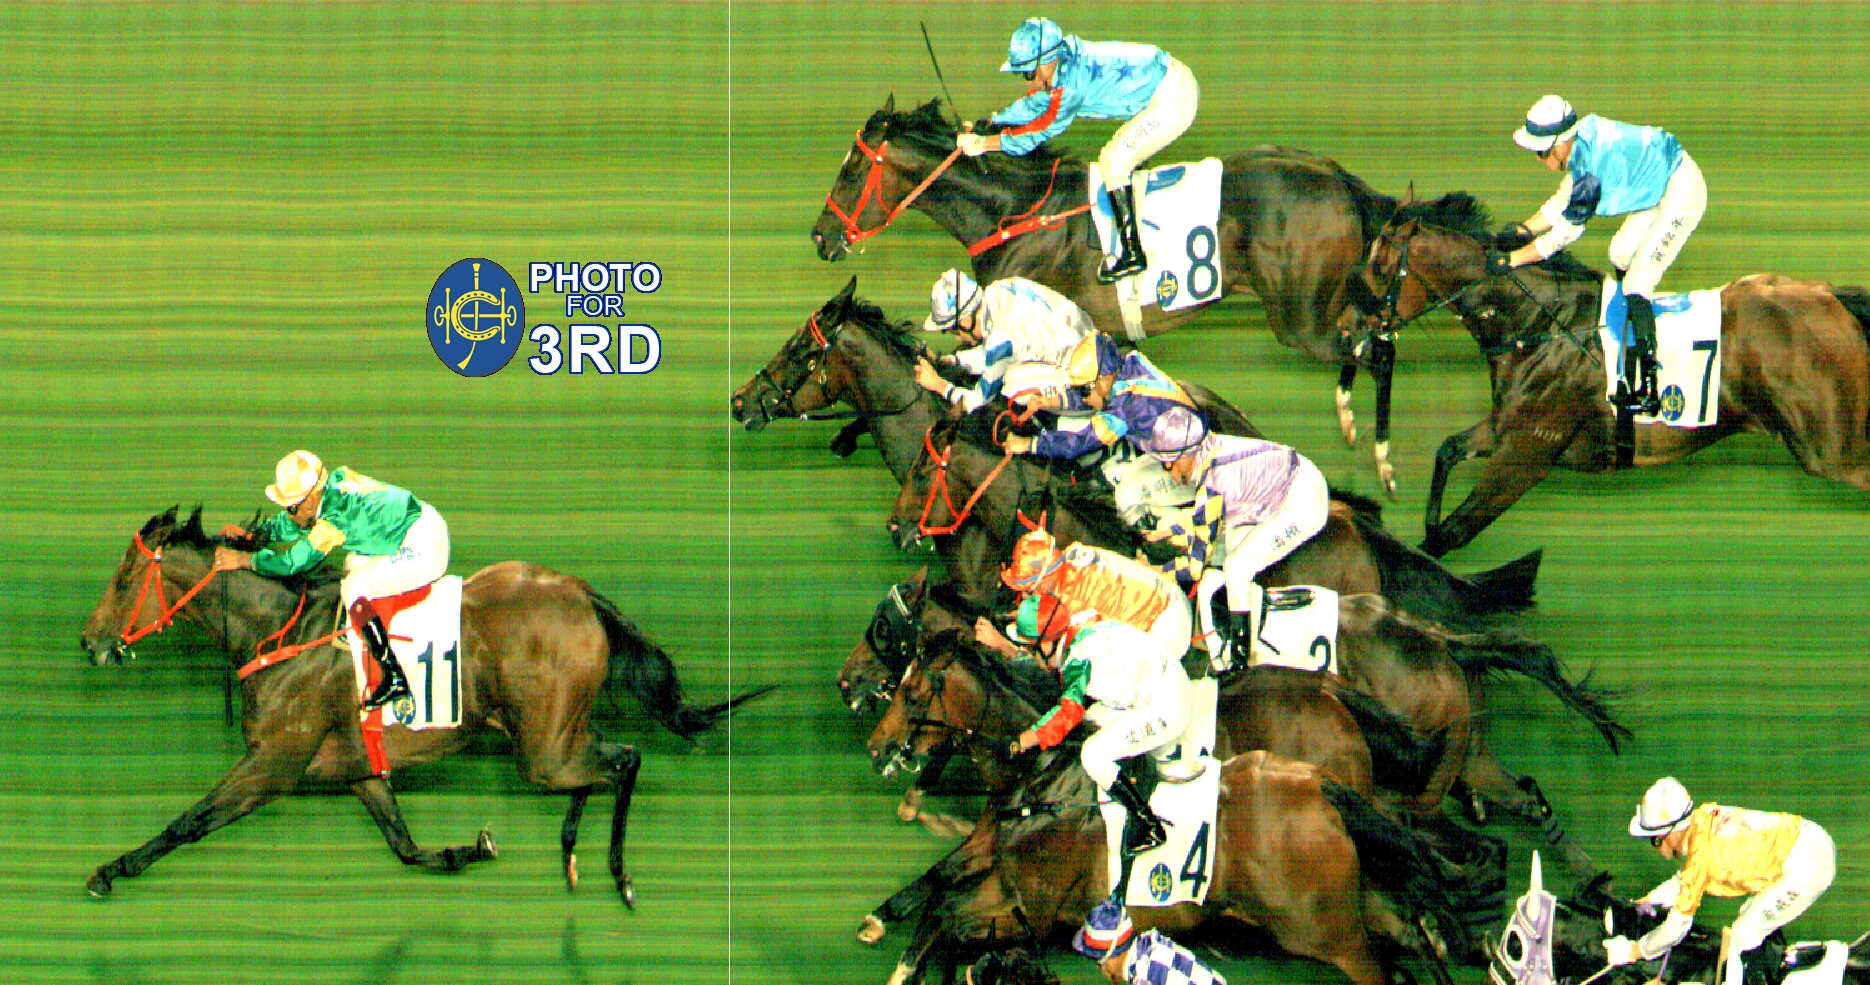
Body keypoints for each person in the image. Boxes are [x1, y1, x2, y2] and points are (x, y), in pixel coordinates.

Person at [1491, 95, 1707, 415]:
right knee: (1619, 252)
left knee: (1637, 282)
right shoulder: (1581, 146)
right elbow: (1561, 201)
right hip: (1657, 182)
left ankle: (1651, 388)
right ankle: (1633, 322)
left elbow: (1561, 236)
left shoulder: (1589, 173)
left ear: (1560, 145)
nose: (1537, 159)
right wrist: (1524, 229)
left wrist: (1514, 259)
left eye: (1540, 152)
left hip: (1680, 191)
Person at [955, 18, 1200, 283]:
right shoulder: (1062, 63)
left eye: (1028, 74)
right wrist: (989, 123)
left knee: (1113, 161)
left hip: (1174, 99)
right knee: (1116, 155)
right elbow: (1033, 104)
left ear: (1045, 63)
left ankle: (1132, 254)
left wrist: (983, 145)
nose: (1028, 82)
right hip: (1168, 80)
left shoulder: (1070, 87)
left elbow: (1036, 133)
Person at [212, 450, 449, 709]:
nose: (289, 513)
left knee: (354, 587)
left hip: (425, 546)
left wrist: (245, 560)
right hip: (412, 527)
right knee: (352, 564)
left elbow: (292, 562)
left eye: (291, 507)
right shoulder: (331, 485)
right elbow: (295, 522)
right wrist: (259, 533)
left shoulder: (333, 521)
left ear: (310, 501)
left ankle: (393, 675)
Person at [1137, 408, 1330, 667]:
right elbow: (1203, 524)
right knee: (1229, 550)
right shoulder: (1206, 452)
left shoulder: (1213, 482)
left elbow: (1194, 567)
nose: (1168, 471)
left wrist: (1154, 569)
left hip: (1305, 500)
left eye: (1170, 462)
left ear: (1187, 453)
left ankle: (1242, 659)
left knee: (1237, 567)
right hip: (1282, 487)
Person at [1006, 593, 1190, 857]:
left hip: (1168, 706)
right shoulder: (1080, 623)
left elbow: (1067, 713)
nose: (1028, 654)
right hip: (1164, 678)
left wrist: (1026, 739)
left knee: (1092, 755)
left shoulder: (1076, 660)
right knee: (1091, 719)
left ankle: (1148, 824)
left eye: (1029, 648)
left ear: (1046, 645)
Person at [1604, 777, 1835, 985]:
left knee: (1743, 935)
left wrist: (1633, 951)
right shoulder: (1702, 819)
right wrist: (1648, 900)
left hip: (1810, 866)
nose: (1656, 848)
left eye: (1655, 840)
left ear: (1672, 833)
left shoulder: (1699, 859)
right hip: (1809, 838)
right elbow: (1684, 880)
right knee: (1748, 915)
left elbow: (1675, 929)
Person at [998, 350, 1202, 528]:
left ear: (1102, 381)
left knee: (1125, 497)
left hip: (1190, 461)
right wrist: (1050, 401)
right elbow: (1091, 399)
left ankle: (1156, 544)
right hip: (1178, 435)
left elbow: (1077, 444)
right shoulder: (1125, 370)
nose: (1084, 396)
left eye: (1086, 390)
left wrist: (1027, 444)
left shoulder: (1125, 408)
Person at [984, 527, 1192, 667]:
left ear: (1045, 580)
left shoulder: (1070, 608)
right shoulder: (1074, 554)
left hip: (1168, 633)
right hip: (1172, 596)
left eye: (1029, 590)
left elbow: (1052, 666)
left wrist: (1004, 646)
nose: (1026, 596)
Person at [915, 269, 1109, 413]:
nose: (957, 337)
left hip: (1090, 376)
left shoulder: (999, 338)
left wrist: (939, 385)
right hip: (1092, 345)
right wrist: (949, 360)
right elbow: (991, 354)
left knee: (1010, 383)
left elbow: (977, 401)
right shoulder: (997, 290)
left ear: (965, 320)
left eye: (952, 330)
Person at [1074, 900, 1228, 985]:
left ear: (1112, 956)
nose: (1100, 968)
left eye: (1098, 960)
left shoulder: (1145, 974)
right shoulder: (1146, 947)